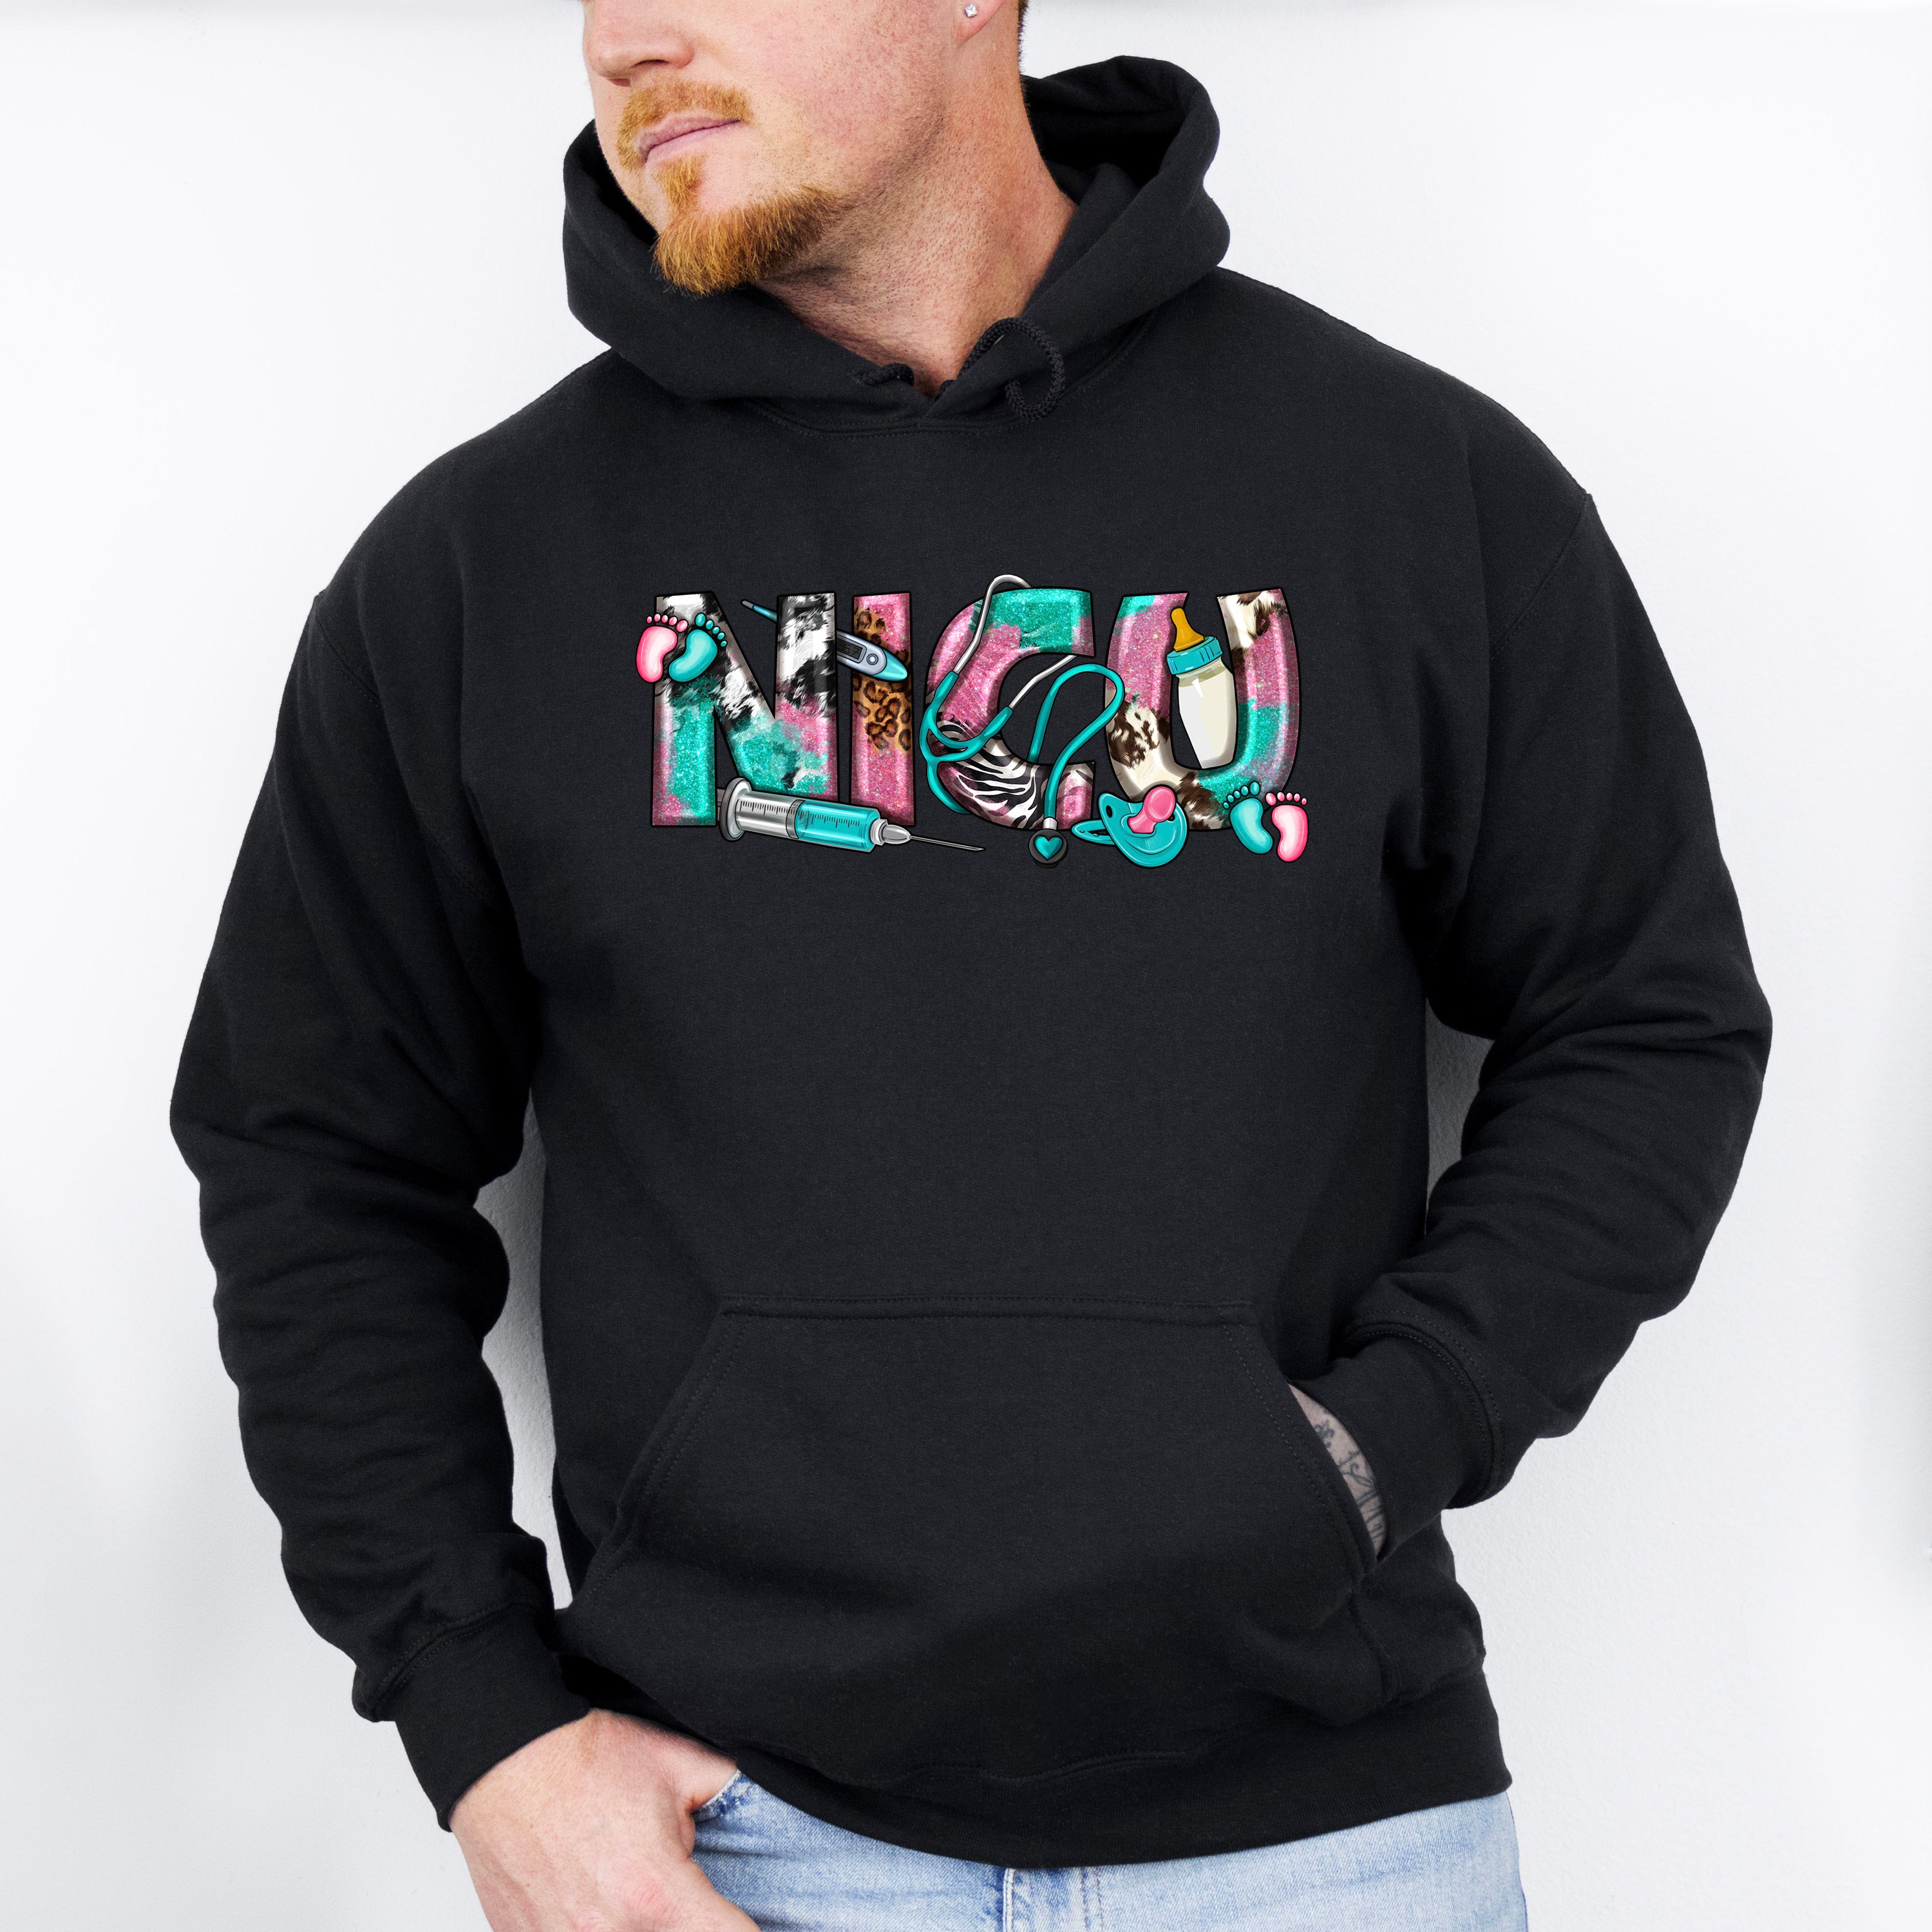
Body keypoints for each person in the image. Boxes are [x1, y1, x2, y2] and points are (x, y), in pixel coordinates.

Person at [170, 1, 1770, 1926]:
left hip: (1330, 1846)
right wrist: (480, 1716)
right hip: (734, 1847)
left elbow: (1644, 1014)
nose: (630, 37)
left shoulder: (1406, 487)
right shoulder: (476, 569)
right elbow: (314, 1150)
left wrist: (1386, 1437)